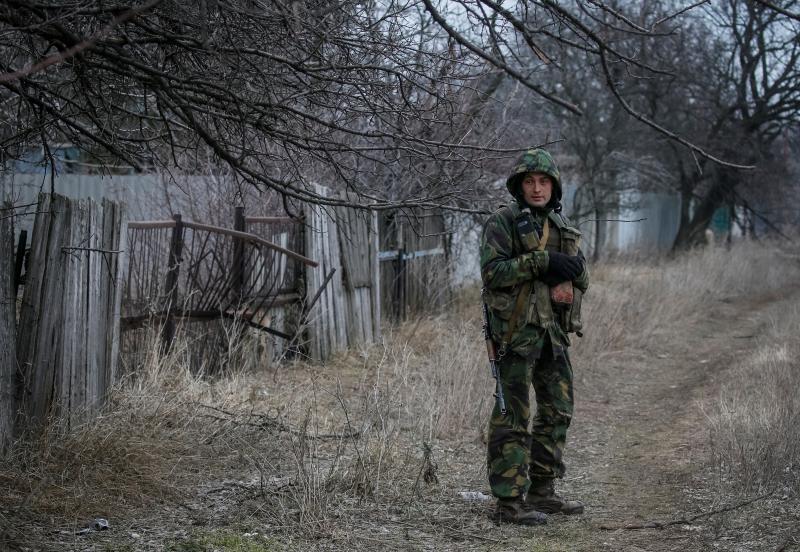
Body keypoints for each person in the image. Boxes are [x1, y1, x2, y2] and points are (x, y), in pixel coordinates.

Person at [479, 148, 589, 525]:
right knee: (513, 416)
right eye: (530, 181)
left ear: (553, 186)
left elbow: (581, 275)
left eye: (543, 182)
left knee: (558, 411)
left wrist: (571, 272)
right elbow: (493, 273)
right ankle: (509, 504)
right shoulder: (503, 222)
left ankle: (543, 493)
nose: (537, 188)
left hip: (553, 335)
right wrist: (541, 262)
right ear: (519, 185)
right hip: (515, 335)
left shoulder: (561, 225)